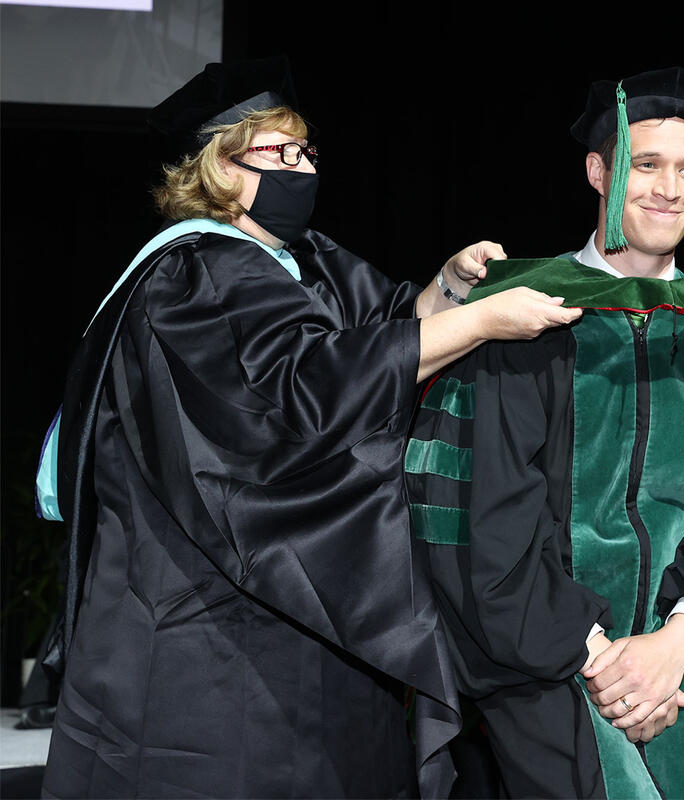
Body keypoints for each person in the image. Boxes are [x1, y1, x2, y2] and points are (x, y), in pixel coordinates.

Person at [35, 58, 580, 799]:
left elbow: (386, 332)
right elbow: (306, 387)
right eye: (277, 154)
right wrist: (482, 321)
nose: (301, 170)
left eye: (305, 154)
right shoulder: (194, 275)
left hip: (294, 626)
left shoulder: (302, 261)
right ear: (219, 167)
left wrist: (450, 288)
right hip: (203, 634)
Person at [405, 67, 684, 798]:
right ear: (598, 170)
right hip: (547, 660)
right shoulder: (526, 321)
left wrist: (672, 646)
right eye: (645, 164)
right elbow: (488, 523)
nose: (668, 189)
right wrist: (607, 664)